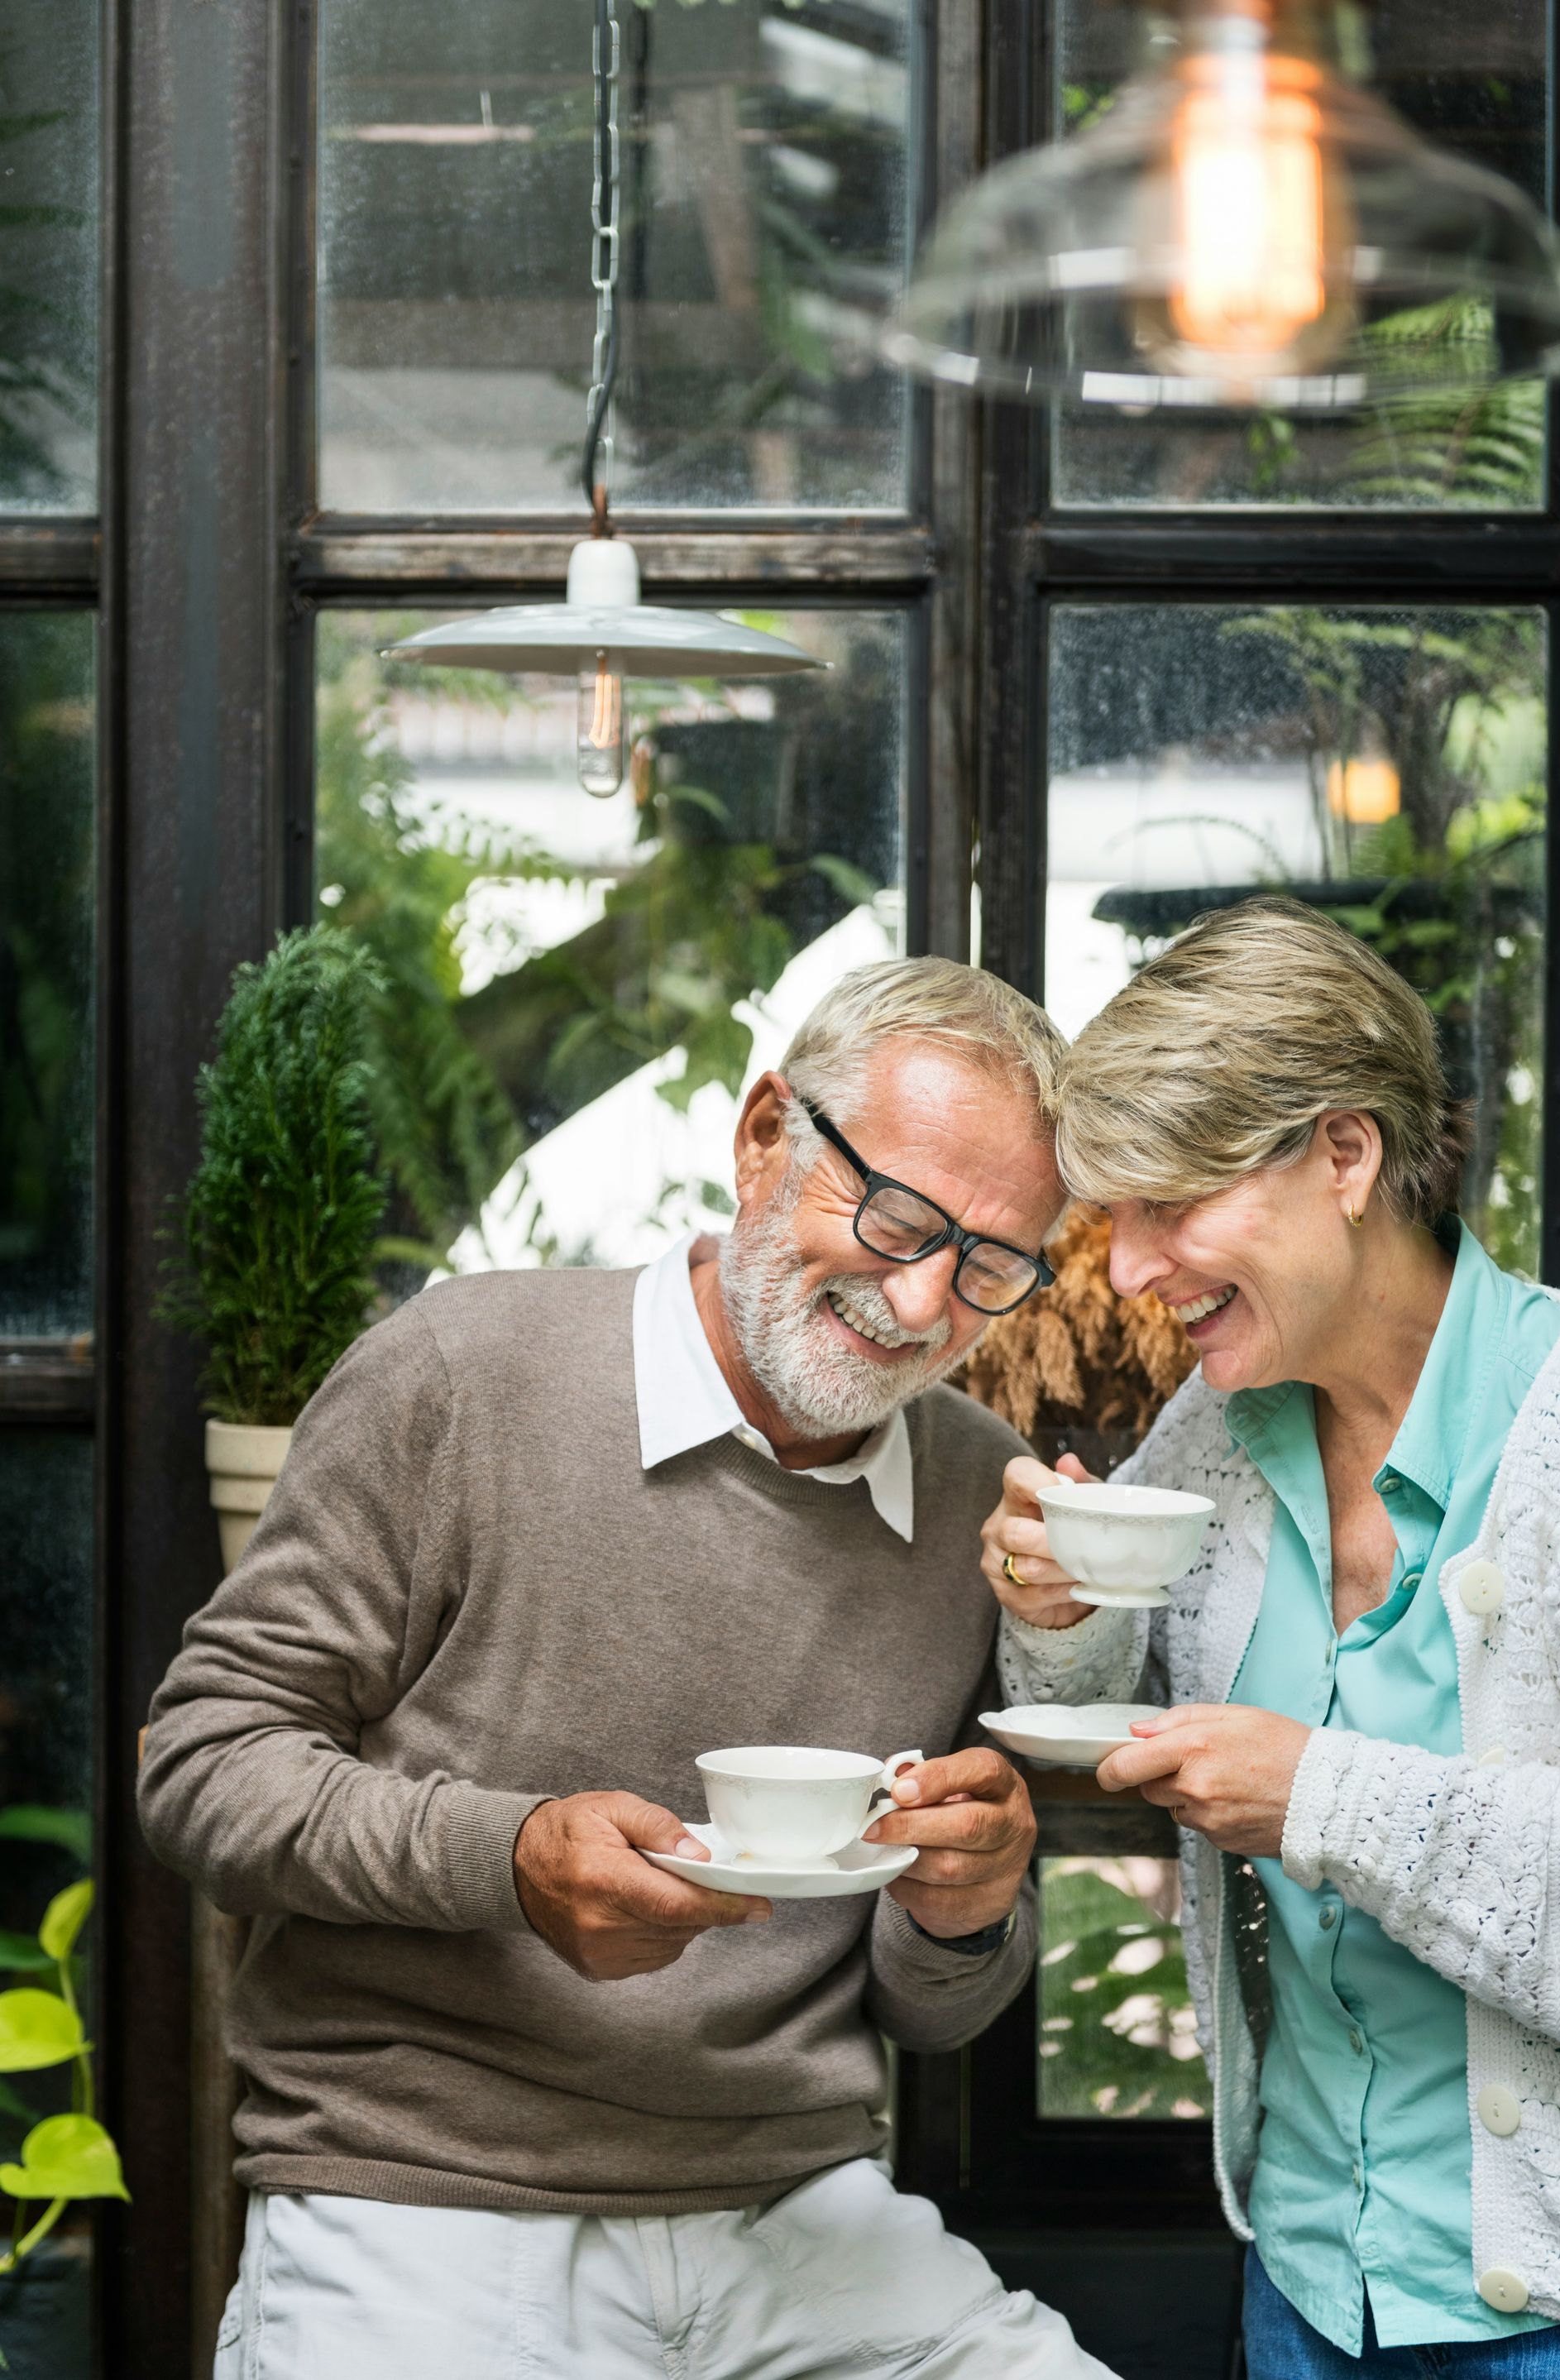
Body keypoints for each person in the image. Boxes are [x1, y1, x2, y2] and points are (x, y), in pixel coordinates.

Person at [140, 956, 1117, 2380]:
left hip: (800, 2213)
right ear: (765, 1133)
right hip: (420, 2192)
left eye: (989, 1265)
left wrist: (965, 1909)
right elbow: (202, 1766)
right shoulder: (460, 1371)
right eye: (897, 1215)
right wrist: (513, 1857)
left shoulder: (983, 1488)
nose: (919, 1302)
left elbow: (932, 2008)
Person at [983, 898, 1560, 2379]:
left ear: (1345, 1153)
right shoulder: (1214, 1434)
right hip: (1309, 2282)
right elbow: (1112, 1700)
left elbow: (1296, 1787)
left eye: (1168, 1204)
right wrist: (1059, 1613)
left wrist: (1318, 1796)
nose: (1123, 1269)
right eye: (1109, 1213)